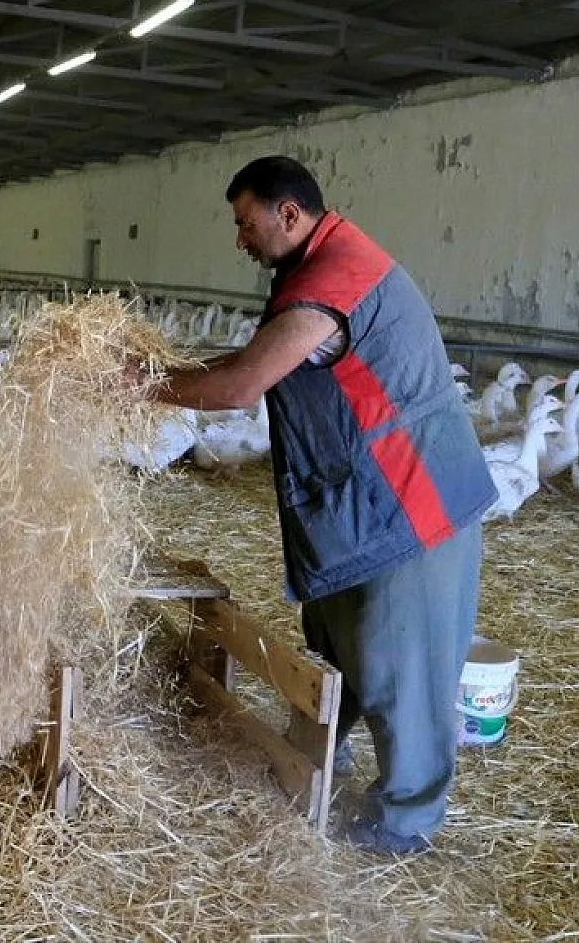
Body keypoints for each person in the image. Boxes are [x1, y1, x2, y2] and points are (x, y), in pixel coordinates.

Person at [149, 155, 494, 856]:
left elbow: (243, 385)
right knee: (341, 645)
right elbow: (254, 366)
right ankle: (319, 760)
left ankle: (406, 823)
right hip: (370, 505)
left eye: (246, 224)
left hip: (412, 507)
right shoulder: (318, 269)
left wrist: (140, 384)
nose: (240, 240)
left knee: (404, 669)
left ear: (288, 215)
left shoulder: (329, 285)